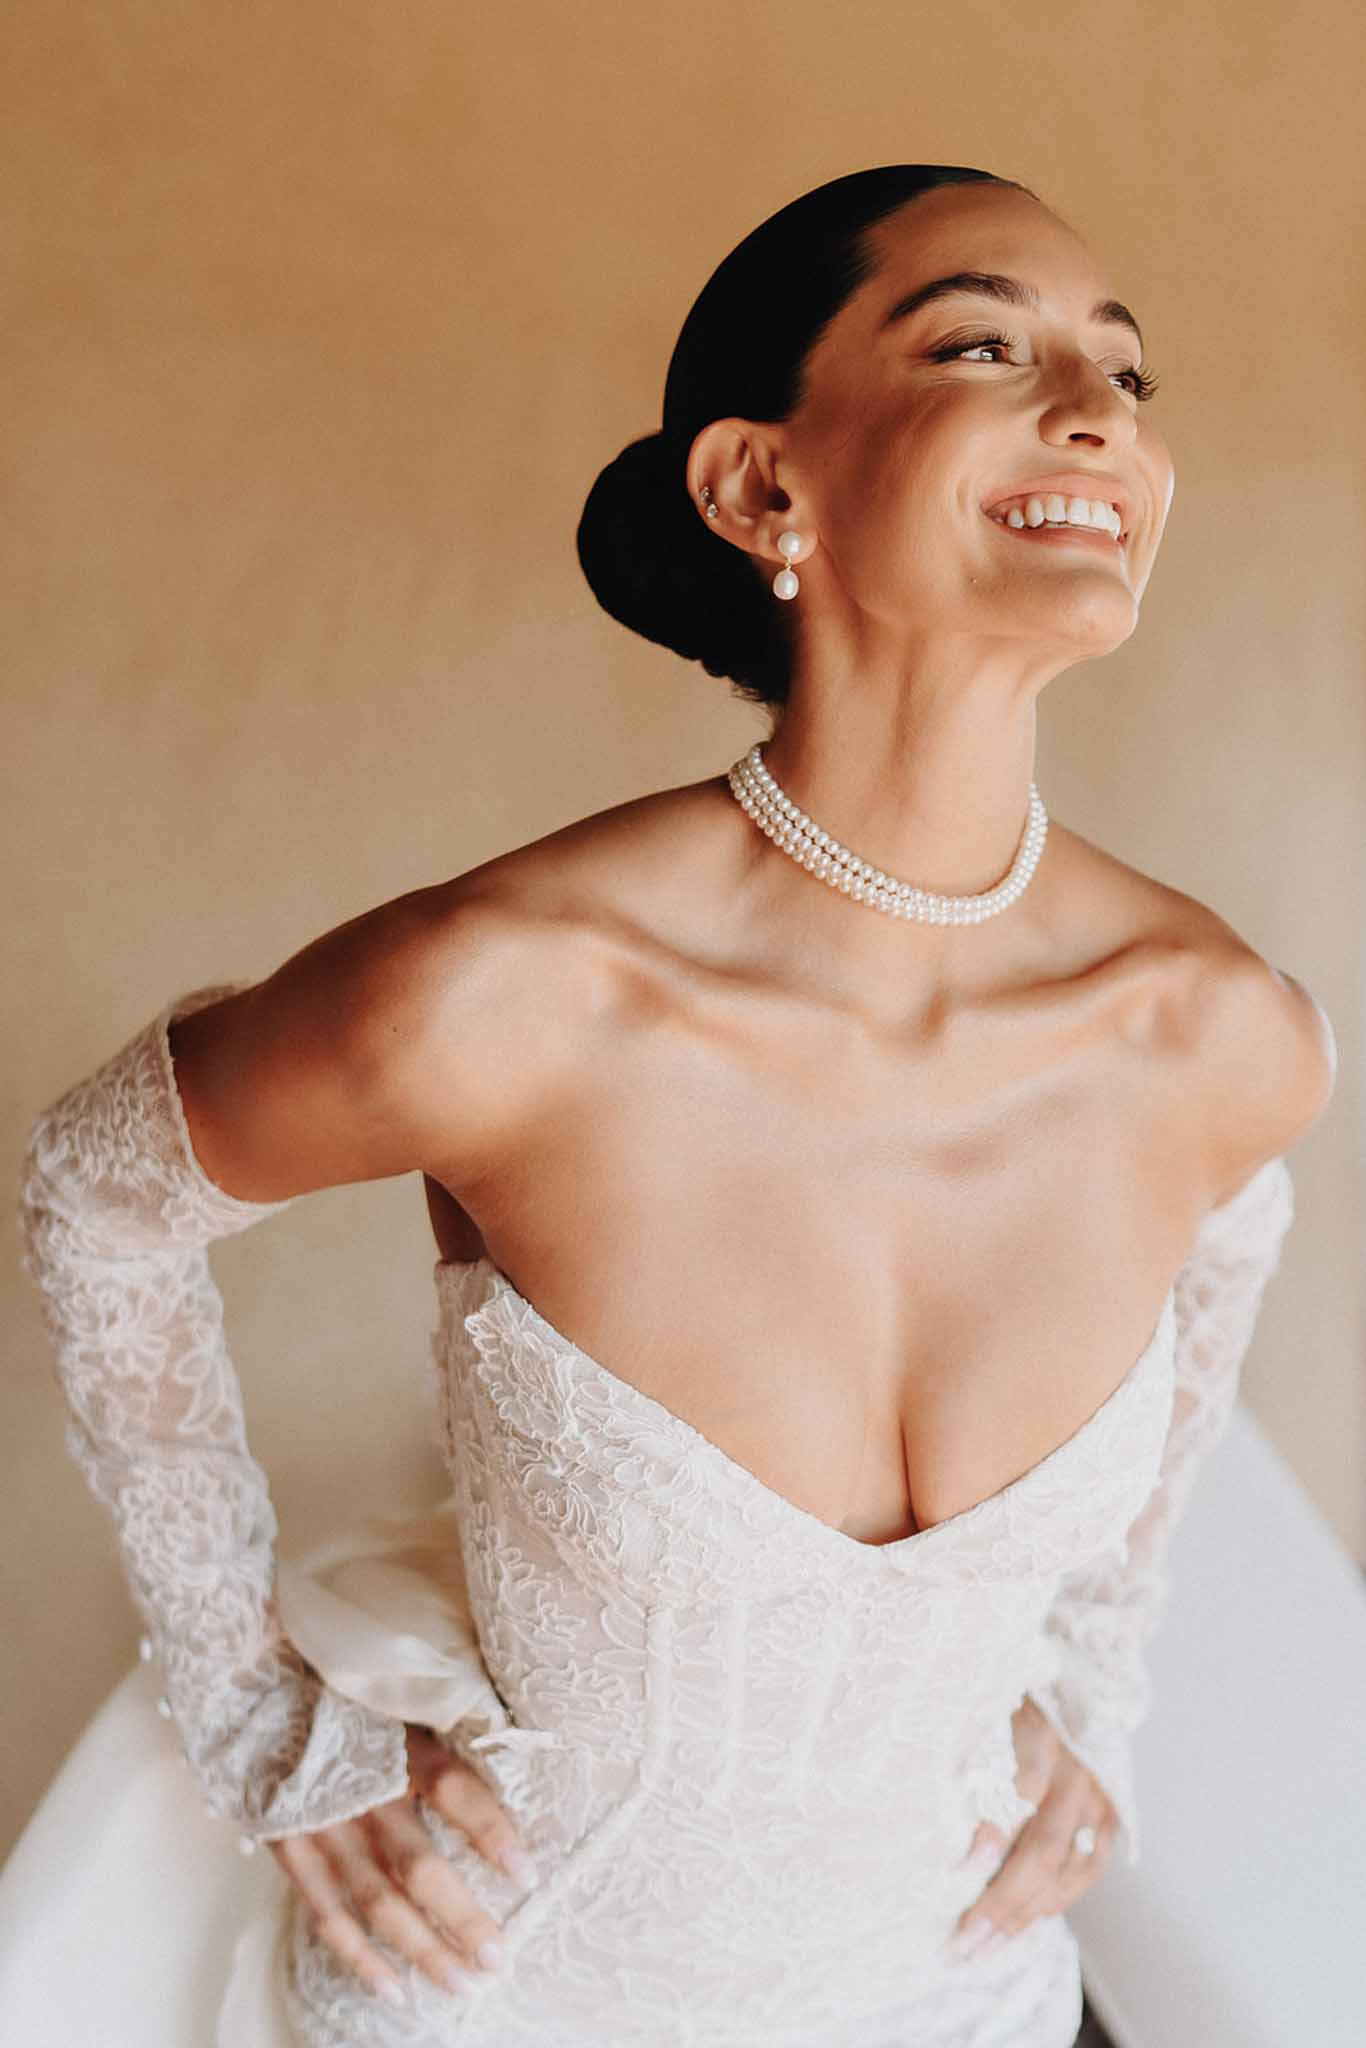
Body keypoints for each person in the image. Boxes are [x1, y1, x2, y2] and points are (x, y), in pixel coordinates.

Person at [13, 163, 1335, 2046]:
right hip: (494, 1995)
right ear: (756, 486)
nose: (1096, 413)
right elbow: (99, 1188)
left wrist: (1087, 1688)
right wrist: (256, 1717)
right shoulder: (509, 992)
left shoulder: (1210, 1030)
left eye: (1126, 376)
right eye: (982, 341)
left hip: (954, 1999)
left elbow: (1233, 1227)